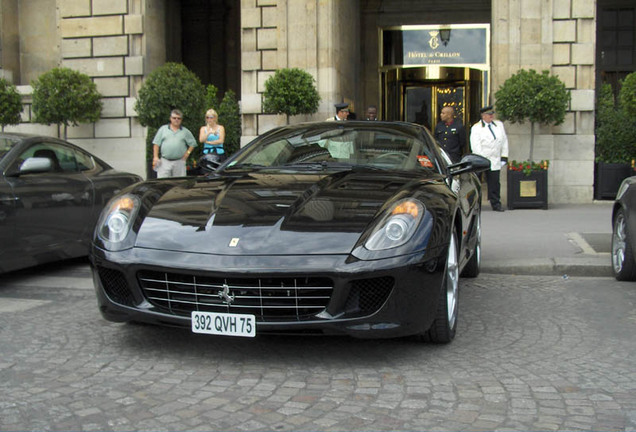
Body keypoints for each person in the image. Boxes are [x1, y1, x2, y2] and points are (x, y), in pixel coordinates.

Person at [470, 105, 509, 212]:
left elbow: (504, 141)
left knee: (495, 184)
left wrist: (504, 157)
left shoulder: (499, 125)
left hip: (495, 159)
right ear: (483, 116)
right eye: (488, 114)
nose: (491, 116)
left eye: (492, 114)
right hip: (482, 159)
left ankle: (496, 204)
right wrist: (482, 159)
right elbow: (476, 145)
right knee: (477, 183)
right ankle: (475, 205)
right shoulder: (476, 128)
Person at [152, 109, 198, 178]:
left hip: (179, 162)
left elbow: (193, 143)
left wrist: (187, 154)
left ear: (181, 120)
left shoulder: (185, 131)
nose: (176, 120)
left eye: (179, 118)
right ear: (170, 118)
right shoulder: (163, 129)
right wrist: (155, 157)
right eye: (174, 118)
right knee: (163, 183)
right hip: (165, 162)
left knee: (180, 184)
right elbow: (156, 143)